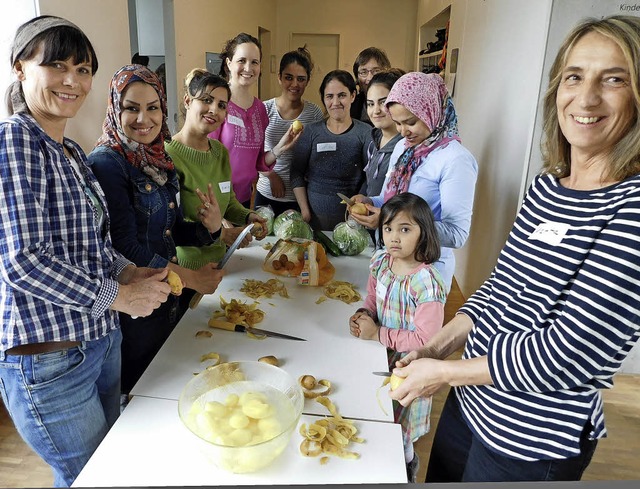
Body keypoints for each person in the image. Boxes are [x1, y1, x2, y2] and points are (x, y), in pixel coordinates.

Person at [389, 15, 640, 483]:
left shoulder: (632, 208)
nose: (586, 98)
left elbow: (566, 354)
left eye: (614, 79)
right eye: (574, 76)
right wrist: (437, 346)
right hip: (474, 404)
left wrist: (443, 374)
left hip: (530, 437)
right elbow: (500, 290)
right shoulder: (548, 187)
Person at [0, 16, 170, 487]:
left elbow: (92, 246)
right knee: (98, 478)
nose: (73, 80)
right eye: (56, 65)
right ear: (20, 69)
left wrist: (130, 272)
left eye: (83, 68)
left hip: (99, 341)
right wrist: (116, 297)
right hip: (51, 360)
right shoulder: (15, 139)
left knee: (100, 473)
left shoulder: (71, 152)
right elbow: (24, 262)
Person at [88, 65, 224, 395]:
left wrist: (211, 228)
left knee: (170, 389)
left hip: (167, 300)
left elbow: (172, 232)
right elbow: (122, 245)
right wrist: (189, 279)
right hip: (136, 310)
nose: (143, 119)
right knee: (142, 397)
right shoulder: (108, 163)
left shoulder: (160, 159)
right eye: (131, 108)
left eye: (152, 108)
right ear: (114, 109)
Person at [349, 72, 478, 294]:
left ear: (432, 112)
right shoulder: (404, 148)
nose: (402, 131)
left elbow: (456, 233)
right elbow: (390, 200)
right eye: (397, 123)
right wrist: (369, 201)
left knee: (418, 329)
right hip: (391, 262)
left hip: (426, 274)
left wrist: (392, 222)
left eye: (411, 122)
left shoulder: (455, 159)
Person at [348, 193, 446, 482]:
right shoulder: (380, 262)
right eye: (388, 228)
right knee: (377, 413)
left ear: (423, 233)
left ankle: (405, 467)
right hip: (379, 356)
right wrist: (363, 314)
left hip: (408, 368)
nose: (394, 237)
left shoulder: (426, 283)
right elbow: (372, 300)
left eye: (405, 229)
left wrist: (377, 333)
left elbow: (425, 341)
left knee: (399, 428)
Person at [166, 68, 268, 306]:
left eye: (222, 105)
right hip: (187, 275)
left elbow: (228, 200)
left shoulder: (219, 152)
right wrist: (221, 232)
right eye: (207, 100)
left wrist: (248, 215)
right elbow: (169, 227)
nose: (214, 109)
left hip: (224, 265)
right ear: (188, 101)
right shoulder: (169, 156)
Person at [210, 33, 298, 208]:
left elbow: (258, 162)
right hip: (214, 201)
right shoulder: (216, 102)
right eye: (241, 60)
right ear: (229, 63)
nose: (248, 68)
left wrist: (279, 148)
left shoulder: (260, 109)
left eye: (254, 62)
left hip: (242, 200)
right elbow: (205, 159)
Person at [290, 69, 372, 231]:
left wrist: (358, 206)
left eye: (342, 95)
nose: (335, 102)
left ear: (353, 96)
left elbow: (369, 176)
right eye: (329, 96)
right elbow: (296, 173)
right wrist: (305, 211)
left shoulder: (365, 132)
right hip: (312, 220)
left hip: (352, 223)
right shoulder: (311, 132)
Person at [255, 47, 324, 216]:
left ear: (307, 81)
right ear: (279, 77)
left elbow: (314, 156)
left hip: (300, 198)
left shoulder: (314, 113)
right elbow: (253, 155)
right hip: (267, 192)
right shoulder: (263, 109)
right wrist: (271, 176)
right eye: (288, 77)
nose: (295, 84)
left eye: (301, 79)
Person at [360, 68, 405, 197]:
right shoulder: (374, 139)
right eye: (370, 104)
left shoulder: (405, 146)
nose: (376, 111)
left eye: (383, 102)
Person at [351, 47, 391, 124]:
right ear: (357, 78)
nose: (370, 78)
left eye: (376, 71)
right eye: (363, 72)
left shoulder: (398, 103)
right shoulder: (351, 106)